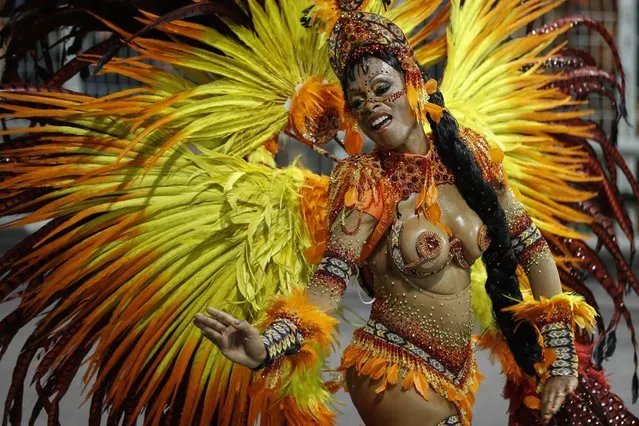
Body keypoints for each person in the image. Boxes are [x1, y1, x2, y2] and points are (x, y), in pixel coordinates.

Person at [0, 0, 637, 425]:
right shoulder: (363, 184)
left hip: (455, 372)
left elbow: (529, 246)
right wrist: (271, 342)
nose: (371, 107)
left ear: (411, 82)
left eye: (381, 88)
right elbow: (327, 287)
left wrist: (558, 355)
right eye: (358, 101)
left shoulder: (467, 151)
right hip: (395, 369)